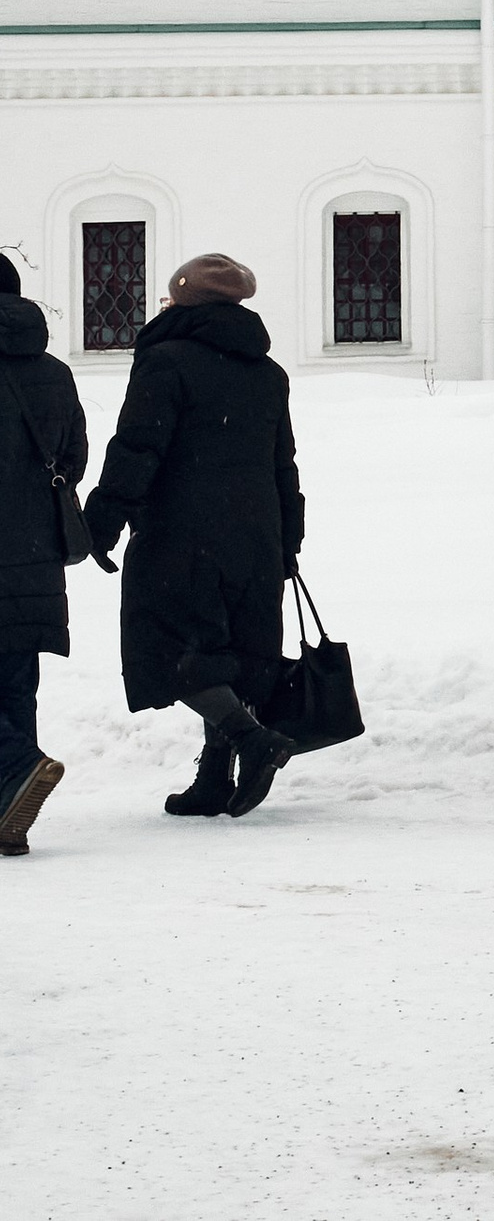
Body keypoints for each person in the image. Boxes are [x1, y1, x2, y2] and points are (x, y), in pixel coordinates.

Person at [84, 253, 305, 820]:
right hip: (255, 533)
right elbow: (284, 465)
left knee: (170, 646)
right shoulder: (267, 372)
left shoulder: (167, 362)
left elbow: (138, 447)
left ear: (183, 301)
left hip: (182, 533)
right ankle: (214, 777)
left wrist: (104, 517)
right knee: (228, 651)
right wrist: (288, 538)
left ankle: (253, 740)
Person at [0, 253, 87, 857]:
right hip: (32, 555)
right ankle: (10, 822)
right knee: (13, 683)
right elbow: (74, 458)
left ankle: (18, 766)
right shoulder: (54, 372)